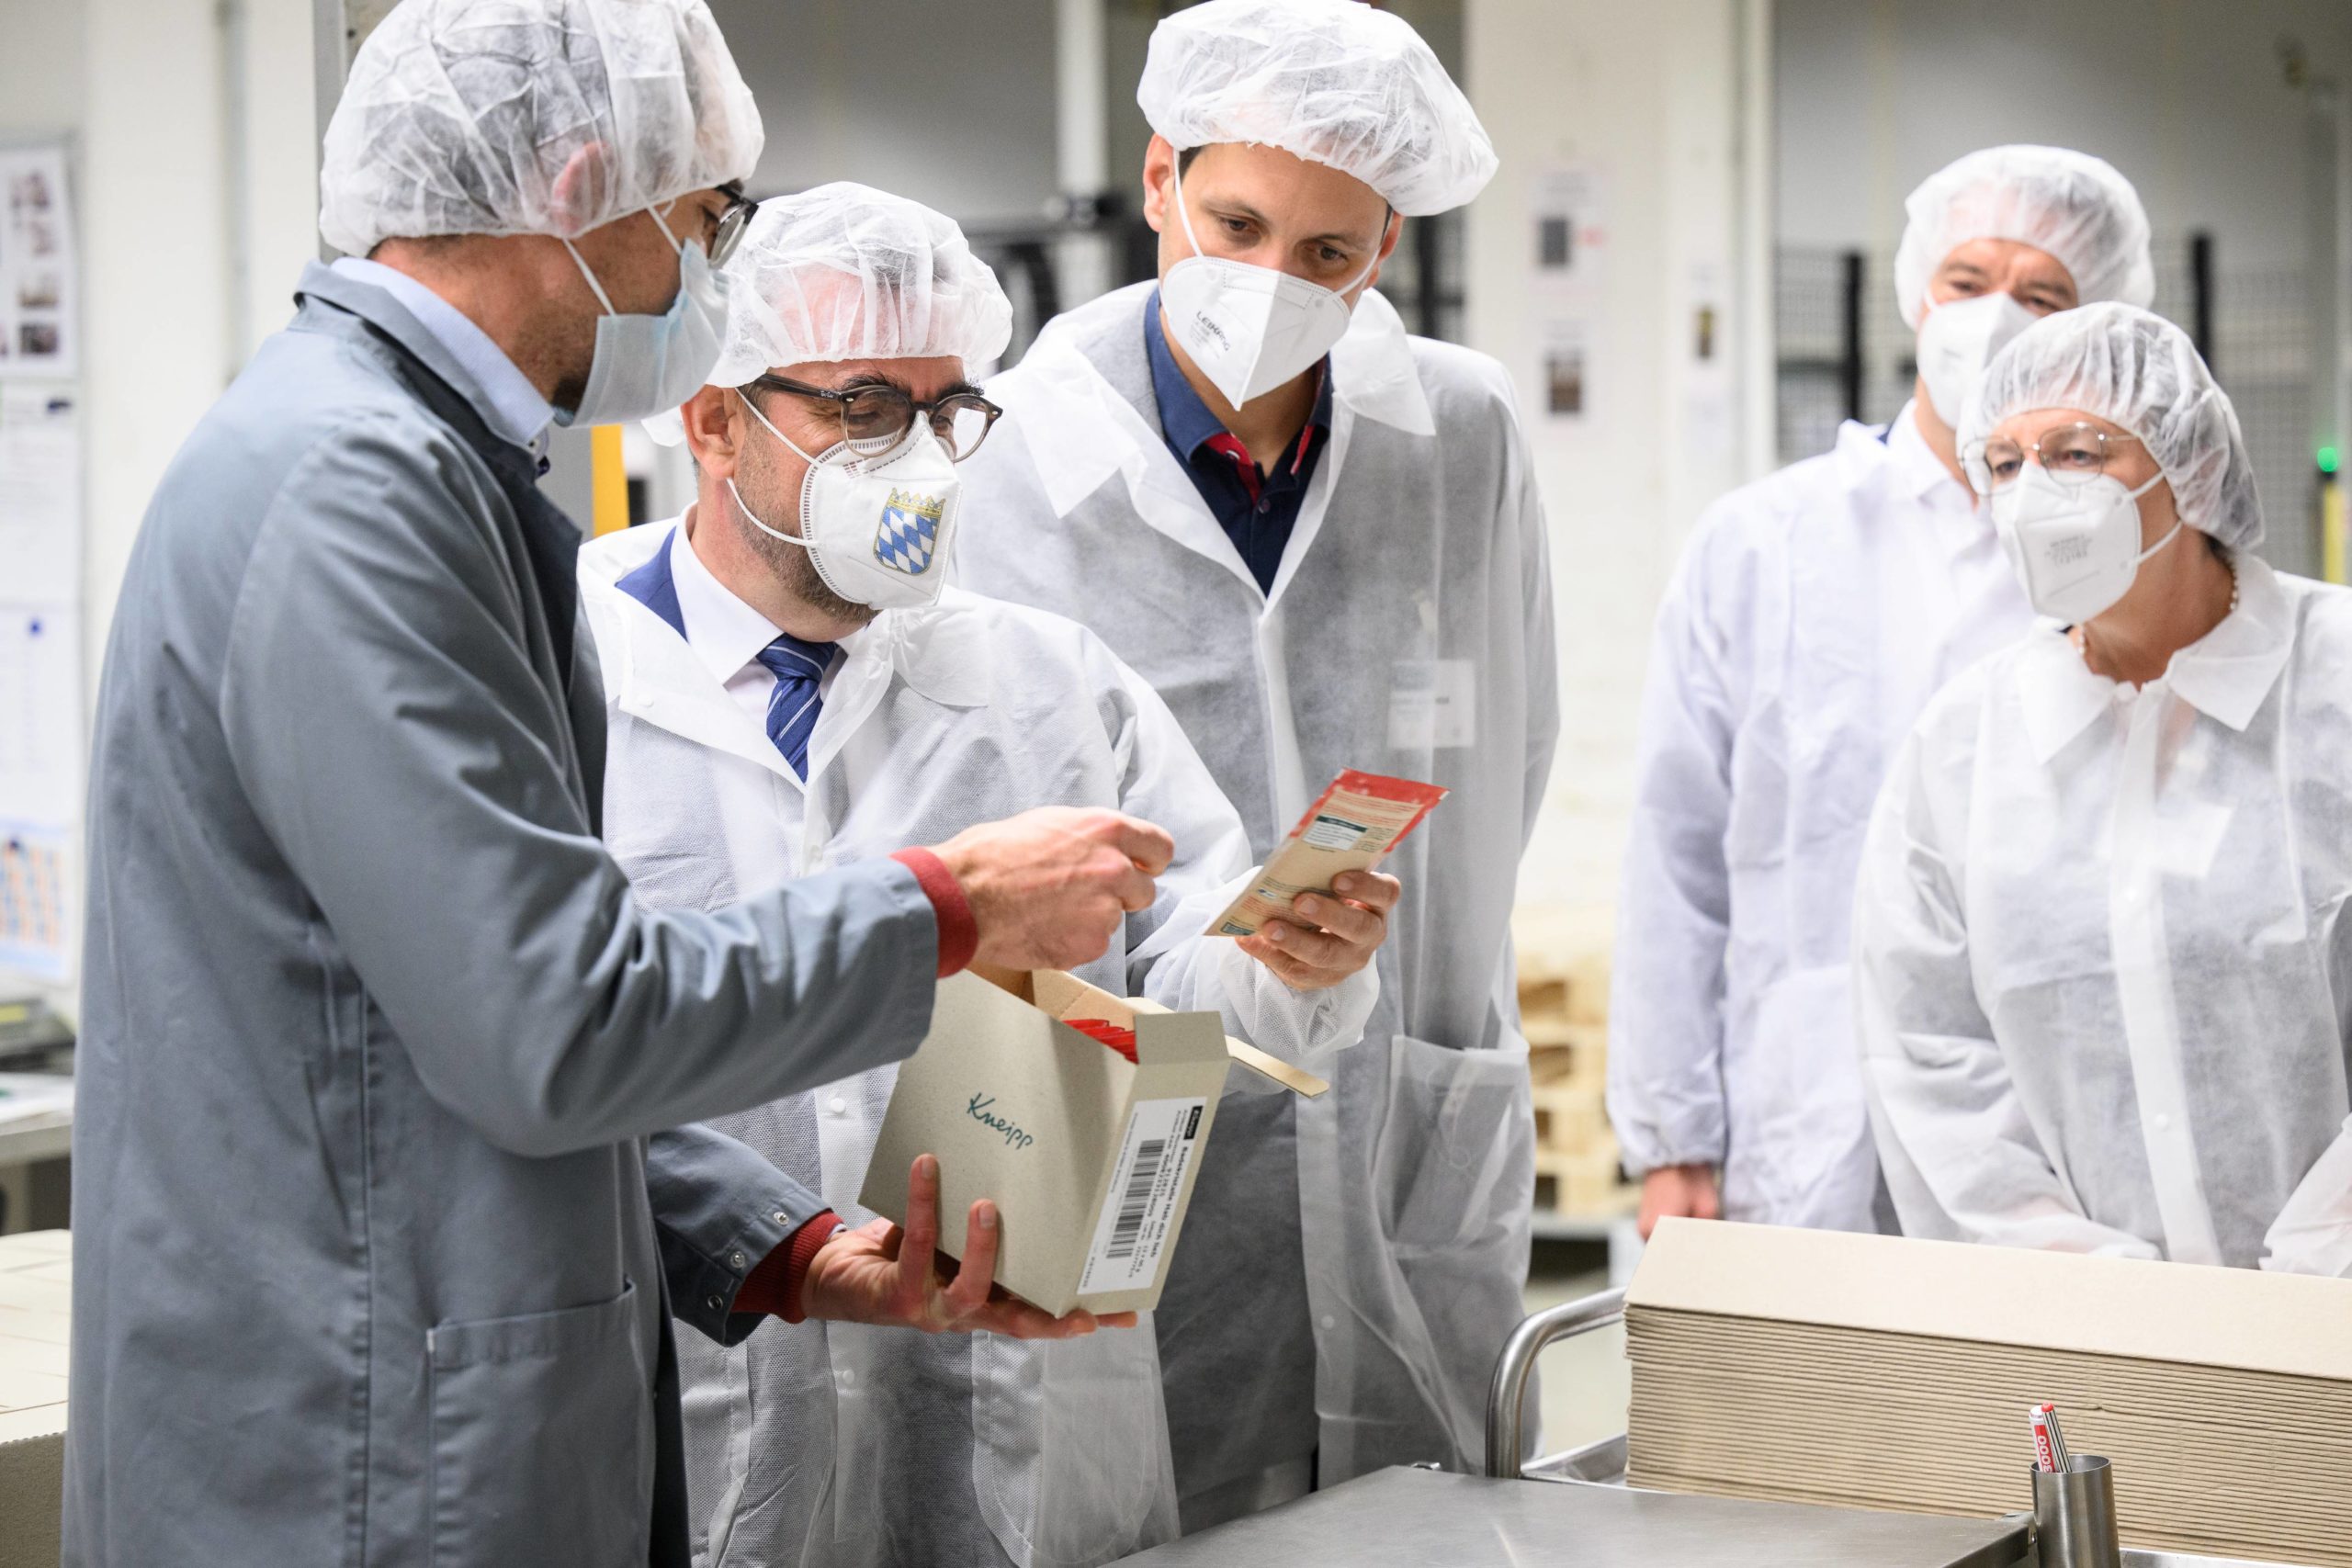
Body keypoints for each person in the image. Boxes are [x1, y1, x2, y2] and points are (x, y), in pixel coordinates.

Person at [67, 5, 1170, 1564]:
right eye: (711, 224)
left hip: (450, 1394)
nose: (706, 284)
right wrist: (953, 901)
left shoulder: (421, 466)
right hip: (373, 1443)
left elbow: (441, 1020)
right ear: (586, 185)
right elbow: (555, 1020)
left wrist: (775, 1237)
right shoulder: (352, 493)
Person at [585, 183, 1395, 1568]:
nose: (915, 462)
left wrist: (1279, 956)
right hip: (688, 1376)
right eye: (861, 409)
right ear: (713, 418)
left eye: (945, 408)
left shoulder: (1045, 679)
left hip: (1012, 1403)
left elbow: (1185, 976)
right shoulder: (569, 671)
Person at [957, 0, 1551, 1517]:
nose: (1272, 283)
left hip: (1398, 1105)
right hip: (1112, 1107)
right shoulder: (1007, 460)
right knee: (1147, 1501)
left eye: (1328, 255)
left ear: (1386, 254)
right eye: (1235, 222)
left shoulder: (1459, 436)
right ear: (1159, 180)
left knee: (1415, 1516)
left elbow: (1511, 746)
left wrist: (1416, 995)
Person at [1607, 145, 2155, 1238]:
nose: (1997, 316)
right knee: (1809, 1405)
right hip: (1797, 1104)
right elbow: (1678, 846)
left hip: (2046, 1130)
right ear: (1917, 291)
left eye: (2042, 293)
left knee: (2017, 1403)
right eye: (1967, 281)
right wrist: (1671, 1139)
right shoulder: (1765, 542)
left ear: (2088, 323)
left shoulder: (2119, 560)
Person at [1855, 302, 2352, 1276]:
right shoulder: (1962, 752)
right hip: (2095, 1357)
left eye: (2079, 453)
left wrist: (2313, 1281)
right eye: (2003, 464)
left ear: (2188, 464)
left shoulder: (2334, 684)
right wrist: (2095, 1296)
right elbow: (1929, 1059)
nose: (2036, 491)